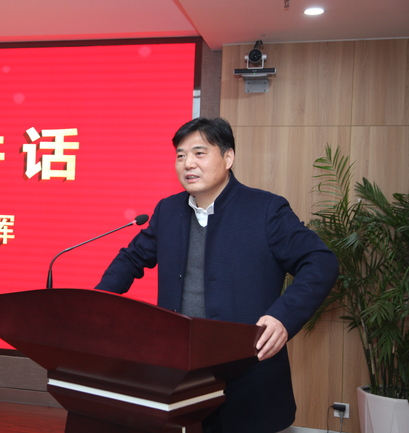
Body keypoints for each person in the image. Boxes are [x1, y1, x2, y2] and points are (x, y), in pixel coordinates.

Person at [94, 117, 339, 433]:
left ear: (228, 157)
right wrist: (98, 303)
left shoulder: (266, 210)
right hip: (181, 375)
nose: (188, 164)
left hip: (247, 375)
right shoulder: (168, 211)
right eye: (181, 156)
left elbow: (320, 261)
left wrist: (283, 317)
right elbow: (131, 258)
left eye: (199, 153)